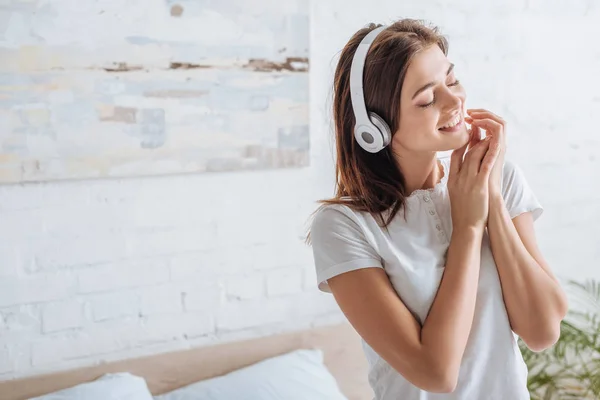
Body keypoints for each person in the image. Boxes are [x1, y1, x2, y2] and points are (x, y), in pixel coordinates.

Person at [307, 19, 568, 399]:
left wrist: (490, 198)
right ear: (374, 129)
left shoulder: (498, 179)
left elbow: (543, 331)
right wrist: (468, 227)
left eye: (452, 80)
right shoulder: (344, 227)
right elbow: (436, 373)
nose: (454, 101)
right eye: (428, 99)